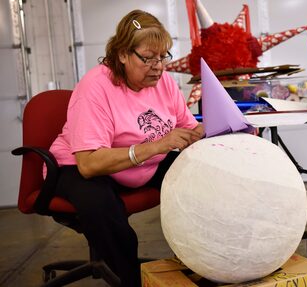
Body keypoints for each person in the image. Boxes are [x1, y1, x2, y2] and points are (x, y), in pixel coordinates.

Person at [48, 9, 204, 286]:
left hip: (142, 164)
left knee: (200, 178)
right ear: (122, 54)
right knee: (100, 205)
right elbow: (89, 164)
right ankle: (131, 280)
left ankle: (208, 262)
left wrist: (213, 131)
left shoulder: (164, 82)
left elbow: (188, 127)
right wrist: (157, 145)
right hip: (82, 167)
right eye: (148, 58)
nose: (158, 66)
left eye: (163, 56)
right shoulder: (96, 86)